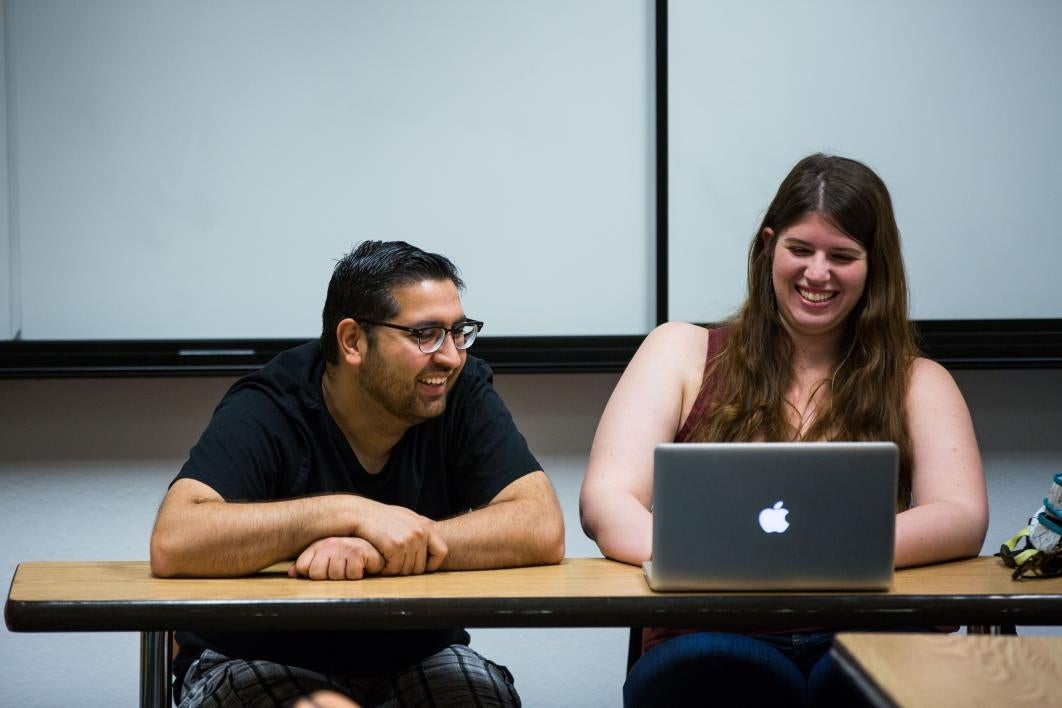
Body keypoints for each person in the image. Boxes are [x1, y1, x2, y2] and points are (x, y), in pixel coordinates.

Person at [579, 154, 989, 706]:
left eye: (842, 256)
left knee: (863, 680)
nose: (817, 273)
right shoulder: (678, 351)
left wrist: (799, 554)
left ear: (875, 267)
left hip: (867, 627)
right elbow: (606, 500)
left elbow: (962, 517)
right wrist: (717, 559)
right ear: (769, 245)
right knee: (717, 672)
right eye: (800, 249)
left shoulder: (920, 381)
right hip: (707, 631)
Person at [151, 240, 565, 707]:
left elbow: (540, 523)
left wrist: (387, 546)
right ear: (352, 341)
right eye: (426, 334)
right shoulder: (271, 402)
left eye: (458, 332)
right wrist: (347, 512)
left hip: (417, 656)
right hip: (254, 655)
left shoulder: (458, 390)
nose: (450, 356)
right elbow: (176, 539)